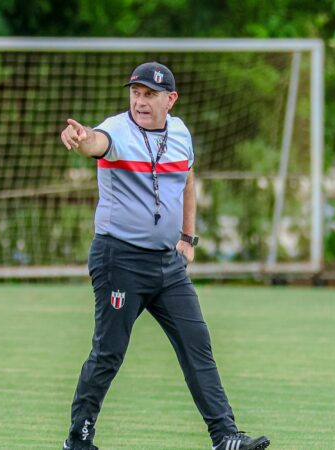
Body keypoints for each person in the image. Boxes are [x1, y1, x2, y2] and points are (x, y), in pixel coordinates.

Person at [59, 62, 270, 450]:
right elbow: (96, 142)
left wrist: (187, 237)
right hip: (119, 260)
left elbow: (188, 178)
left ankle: (225, 437)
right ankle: (78, 440)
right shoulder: (117, 130)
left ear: (170, 100)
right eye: (135, 93)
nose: (140, 101)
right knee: (108, 353)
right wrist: (81, 137)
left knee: (197, 344)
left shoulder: (181, 133)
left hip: (167, 265)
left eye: (150, 95)